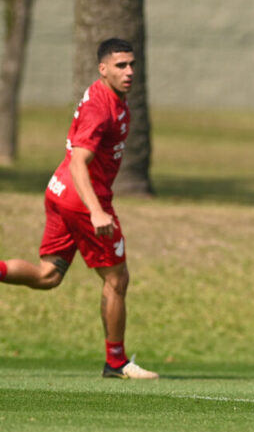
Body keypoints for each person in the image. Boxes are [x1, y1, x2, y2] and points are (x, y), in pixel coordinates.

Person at [1, 38, 158, 380]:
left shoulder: (107, 96)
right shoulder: (102, 109)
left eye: (132, 64)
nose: (129, 71)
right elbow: (79, 163)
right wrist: (96, 210)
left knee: (48, 275)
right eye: (120, 65)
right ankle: (115, 363)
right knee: (117, 279)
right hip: (82, 198)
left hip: (59, 190)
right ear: (103, 69)